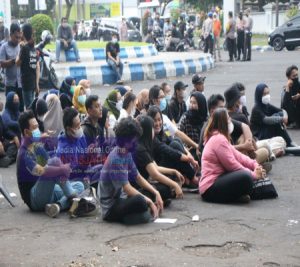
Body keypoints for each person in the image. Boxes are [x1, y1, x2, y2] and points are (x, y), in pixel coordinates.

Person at [17, 110, 84, 217]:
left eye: (38, 127)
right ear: (26, 132)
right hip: (34, 198)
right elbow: (44, 171)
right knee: (55, 165)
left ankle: (58, 206)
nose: (38, 130)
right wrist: (62, 169)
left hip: (47, 189)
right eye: (34, 128)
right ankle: (74, 198)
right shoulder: (24, 153)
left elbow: (48, 160)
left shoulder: (36, 145)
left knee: (79, 185)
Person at [98, 117, 162, 224]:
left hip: (122, 198)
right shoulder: (116, 159)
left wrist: (156, 193)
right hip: (110, 208)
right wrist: (149, 202)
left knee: (153, 190)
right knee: (141, 201)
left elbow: (138, 177)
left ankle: (139, 214)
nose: (136, 143)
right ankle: (141, 214)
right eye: (133, 141)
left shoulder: (126, 152)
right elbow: (127, 188)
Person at [199, 108, 265, 203]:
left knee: (247, 175)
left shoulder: (221, 137)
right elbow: (232, 165)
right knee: (246, 177)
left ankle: (238, 195)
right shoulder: (219, 139)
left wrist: (255, 164)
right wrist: (253, 175)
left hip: (219, 179)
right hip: (210, 188)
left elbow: (239, 156)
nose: (230, 121)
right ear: (223, 123)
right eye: (228, 119)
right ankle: (236, 196)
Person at [134, 115, 184, 201]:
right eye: (152, 128)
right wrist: (174, 185)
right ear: (148, 131)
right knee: (165, 189)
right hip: (138, 186)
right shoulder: (140, 149)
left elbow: (155, 167)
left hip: (145, 181)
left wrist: (174, 171)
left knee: (169, 179)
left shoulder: (144, 145)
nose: (154, 131)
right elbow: (155, 174)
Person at [147, 106, 199, 188]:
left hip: (169, 160)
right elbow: (167, 150)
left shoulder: (163, 132)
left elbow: (175, 140)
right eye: (154, 120)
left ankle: (189, 177)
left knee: (176, 141)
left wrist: (188, 154)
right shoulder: (151, 137)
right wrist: (189, 159)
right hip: (159, 168)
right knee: (174, 148)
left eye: (159, 119)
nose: (157, 123)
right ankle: (192, 177)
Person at [148, 85, 201, 157]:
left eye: (164, 96)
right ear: (154, 100)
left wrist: (188, 150)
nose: (165, 99)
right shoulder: (147, 118)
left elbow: (175, 133)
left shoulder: (164, 116)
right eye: (162, 97)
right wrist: (194, 147)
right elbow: (177, 134)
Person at [0, 23, 24, 112]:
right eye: (16, 37)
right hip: (10, 84)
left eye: (19, 37)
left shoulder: (21, 46)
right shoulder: (4, 47)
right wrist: (14, 61)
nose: (18, 40)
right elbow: (1, 63)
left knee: (21, 107)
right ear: (11, 35)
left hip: (20, 83)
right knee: (10, 109)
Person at [16, 23, 40, 109]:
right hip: (33, 83)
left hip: (26, 84)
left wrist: (20, 49)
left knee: (29, 109)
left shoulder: (24, 48)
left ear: (24, 33)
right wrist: (37, 84)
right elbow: (37, 67)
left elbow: (17, 63)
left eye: (21, 32)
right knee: (32, 107)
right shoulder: (33, 48)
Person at [0, 99, 18, 167]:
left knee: (14, 144)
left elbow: (5, 130)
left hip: (2, 143)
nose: (1, 103)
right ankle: (6, 159)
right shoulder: (5, 114)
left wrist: (14, 136)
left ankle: (5, 158)